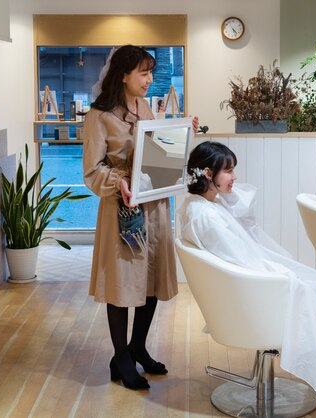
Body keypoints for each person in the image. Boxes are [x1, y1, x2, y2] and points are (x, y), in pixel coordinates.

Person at [177, 141, 316, 407]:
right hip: (256, 294)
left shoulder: (202, 206)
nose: (235, 177)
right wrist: (286, 279)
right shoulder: (207, 217)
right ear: (208, 174)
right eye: (228, 171)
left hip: (252, 287)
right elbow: (243, 262)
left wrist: (222, 189)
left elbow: (243, 220)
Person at [83, 45, 198, 390]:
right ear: (123, 75)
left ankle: (137, 348)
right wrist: (121, 182)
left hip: (154, 203)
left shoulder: (145, 106)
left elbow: (157, 149)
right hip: (124, 207)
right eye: (144, 73)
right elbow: (91, 170)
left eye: (151, 72)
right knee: (121, 283)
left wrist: (184, 131)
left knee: (148, 279)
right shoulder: (99, 115)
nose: (150, 79)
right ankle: (121, 357)